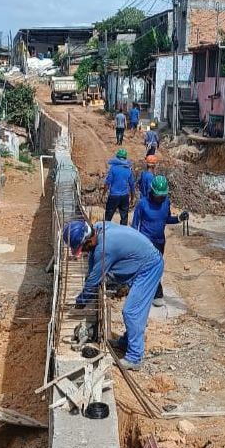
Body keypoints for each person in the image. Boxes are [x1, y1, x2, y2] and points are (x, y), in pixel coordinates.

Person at [63, 220, 163, 371]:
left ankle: (135, 357)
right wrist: (89, 279)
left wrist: (80, 302)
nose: (83, 252)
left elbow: (93, 281)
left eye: (83, 248)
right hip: (142, 260)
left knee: (132, 312)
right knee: (132, 310)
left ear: (89, 240)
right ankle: (126, 342)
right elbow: (93, 261)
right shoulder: (98, 228)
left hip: (149, 267)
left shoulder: (105, 248)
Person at [131, 175, 189, 307]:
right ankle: (156, 294)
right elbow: (135, 225)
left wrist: (179, 218)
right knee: (150, 266)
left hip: (160, 242)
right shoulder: (142, 204)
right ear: (152, 192)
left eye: (163, 196)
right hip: (146, 241)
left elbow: (166, 219)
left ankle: (149, 291)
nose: (161, 199)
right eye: (159, 196)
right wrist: (135, 243)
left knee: (155, 267)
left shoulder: (166, 202)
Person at [104, 149, 135, 225]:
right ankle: (123, 230)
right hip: (125, 196)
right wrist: (132, 198)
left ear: (117, 157)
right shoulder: (128, 169)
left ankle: (106, 230)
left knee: (108, 217)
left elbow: (108, 183)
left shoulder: (113, 168)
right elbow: (132, 185)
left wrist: (103, 194)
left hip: (114, 196)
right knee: (124, 218)